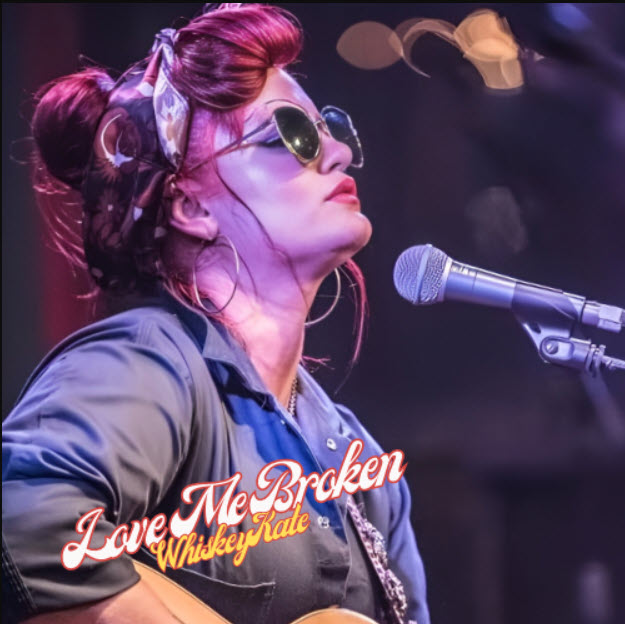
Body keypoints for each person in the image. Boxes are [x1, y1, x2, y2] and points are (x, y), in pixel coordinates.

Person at [2, 4, 430, 624]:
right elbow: (23, 524)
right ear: (191, 208)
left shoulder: (356, 457)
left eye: (330, 128)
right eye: (290, 133)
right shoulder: (148, 365)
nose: (337, 152)